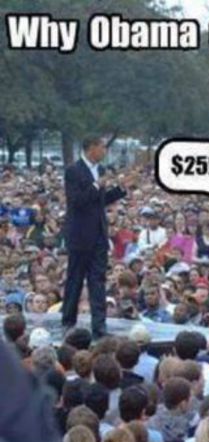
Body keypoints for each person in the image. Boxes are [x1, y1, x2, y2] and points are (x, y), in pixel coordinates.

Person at [62, 137, 129, 339]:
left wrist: (120, 190)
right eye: (102, 148)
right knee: (75, 279)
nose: (104, 152)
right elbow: (76, 201)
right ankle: (68, 322)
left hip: (99, 234)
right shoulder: (73, 171)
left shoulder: (100, 170)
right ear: (91, 148)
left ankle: (99, 326)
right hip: (80, 235)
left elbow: (99, 201)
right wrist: (95, 185)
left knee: (98, 281)